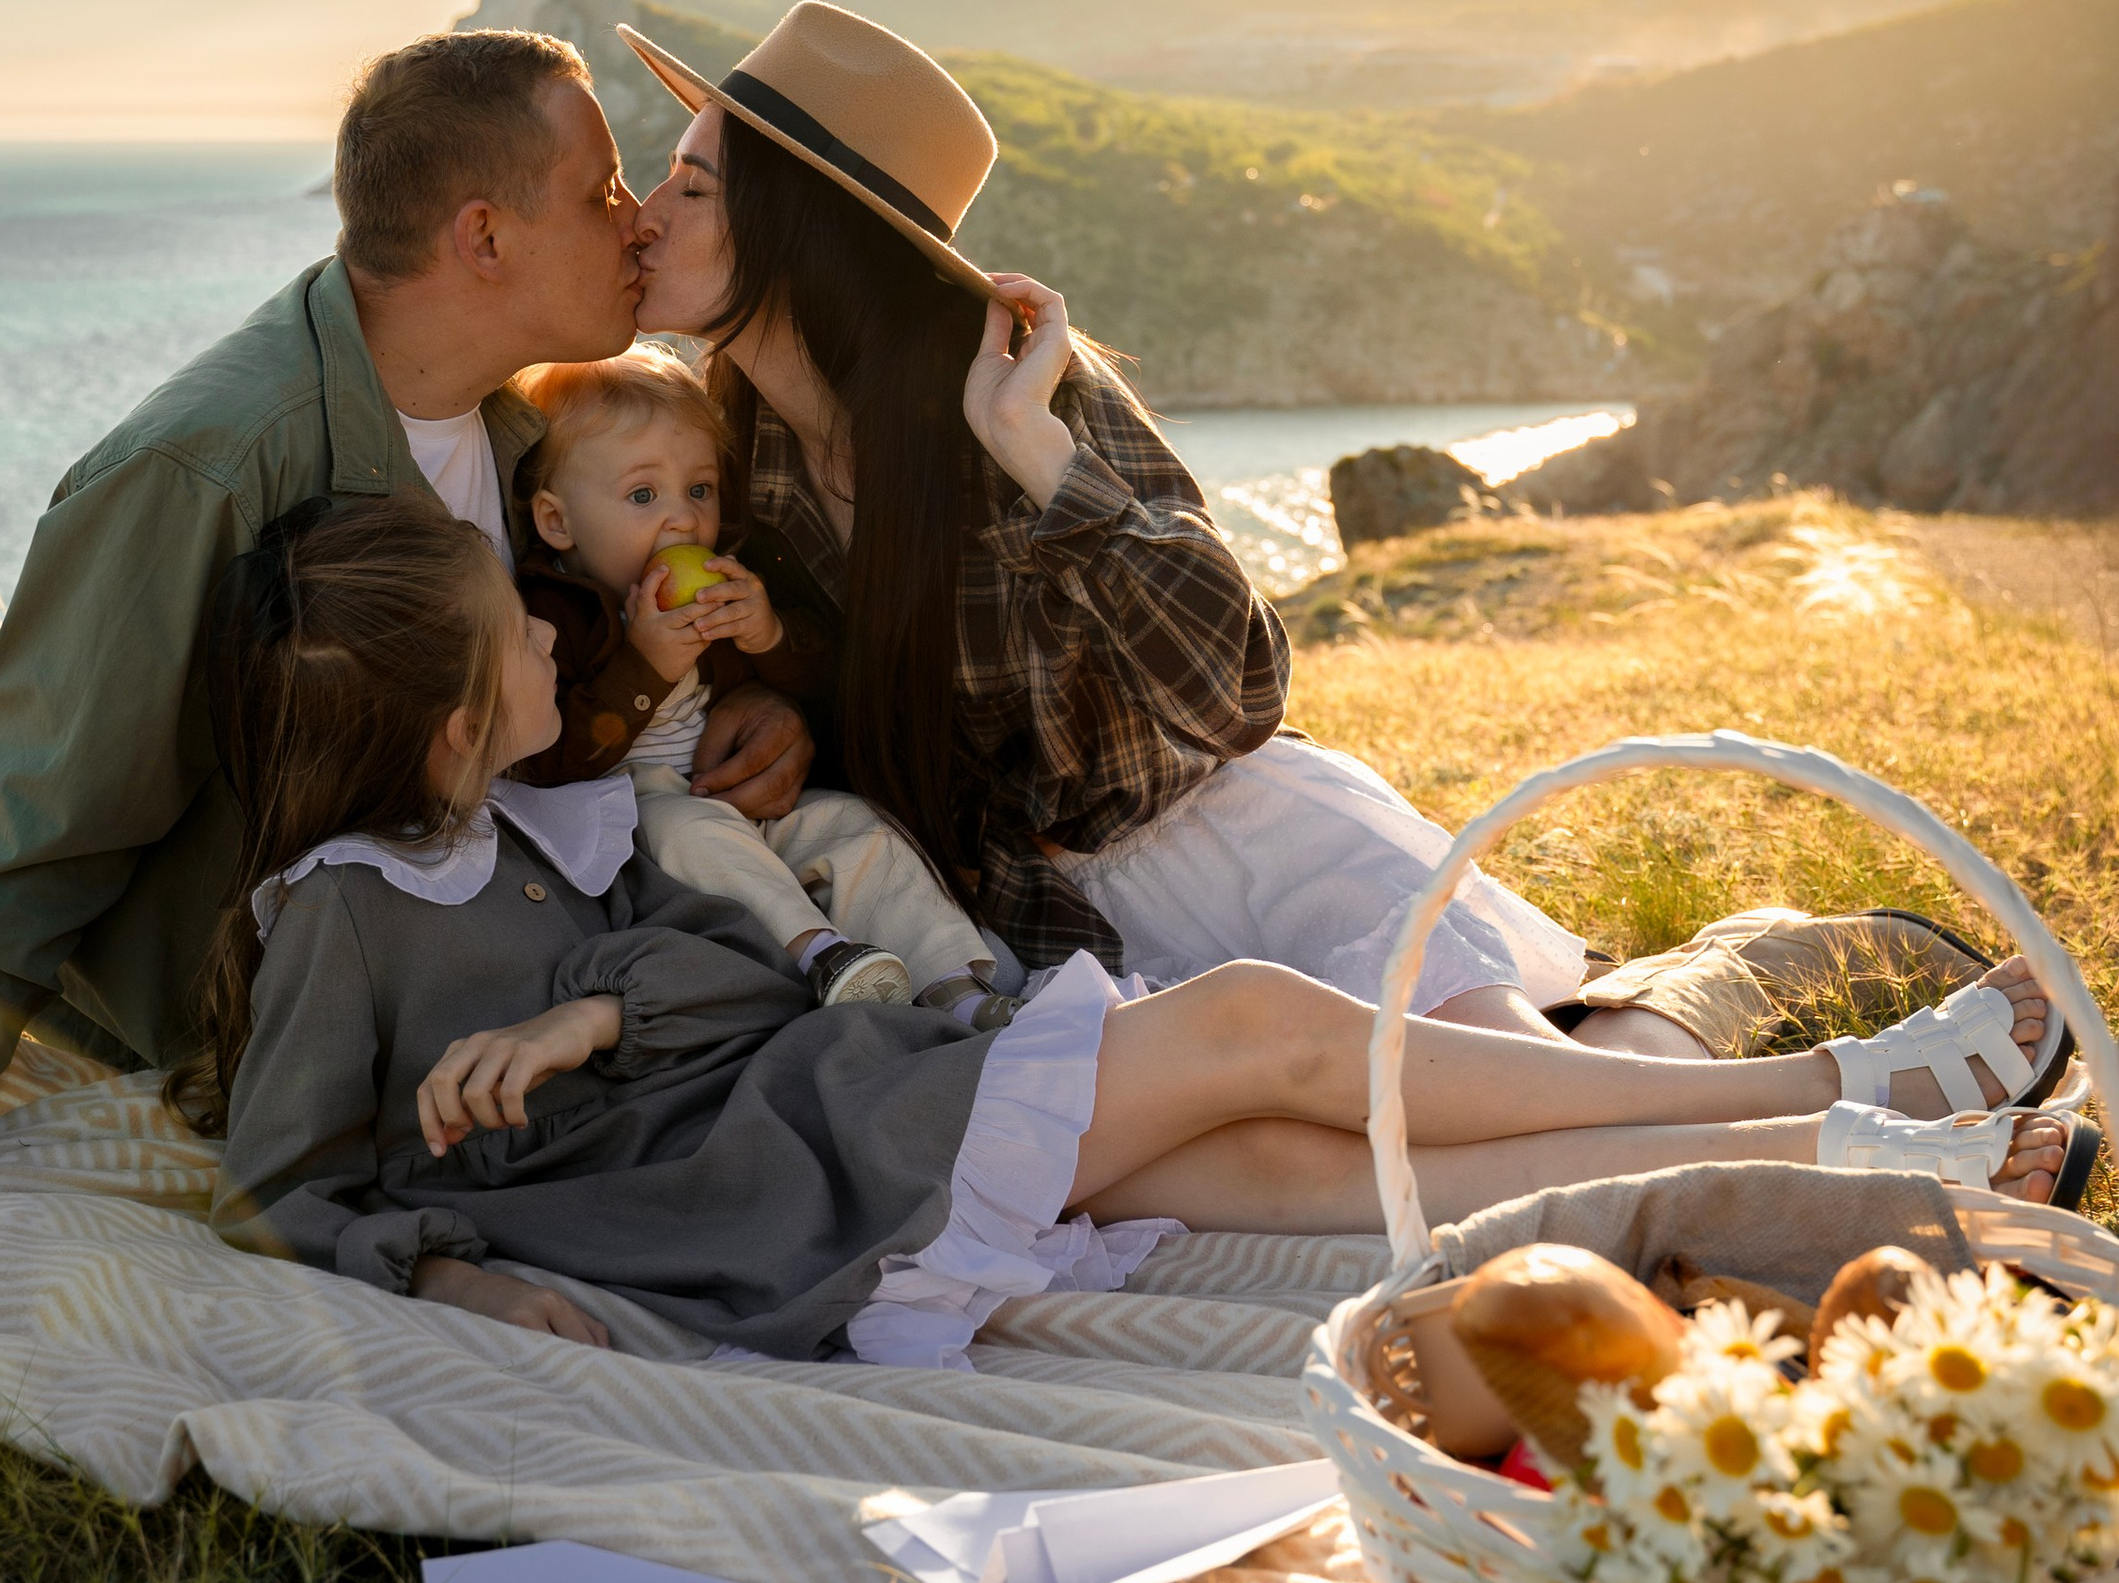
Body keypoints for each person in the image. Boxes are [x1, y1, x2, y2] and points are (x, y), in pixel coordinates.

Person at [201, 502, 2077, 1372]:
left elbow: (727, 971)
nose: (557, 637)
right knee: (1262, 1021)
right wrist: (443, 1269)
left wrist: (591, 1025)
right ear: (448, 718)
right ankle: (1837, 1079)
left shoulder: (570, 821)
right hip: (774, 1170)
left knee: (1295, 1153)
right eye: (515, 639)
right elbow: (293, 1186)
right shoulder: (347, 921)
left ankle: (1881, 1148)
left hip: (829, 1094)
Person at [621, 0, 2067, 1116]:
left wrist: (1041, 461)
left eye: (691, 183)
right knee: (1426, 1120)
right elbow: (846, 686)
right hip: (1052, 920)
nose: (649, 204)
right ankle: (1756, 1004)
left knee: (1482, 1062)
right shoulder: (729, 458)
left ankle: (1845, 1094)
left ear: (800, 230)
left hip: (1238, 829)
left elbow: (1239, 688)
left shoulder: (1013, 394)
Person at [0, 30, 815, 1222]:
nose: (637, 218)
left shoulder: (531, 424)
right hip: (314, 1045)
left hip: (519, 959)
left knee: (837, 1093)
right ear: (483, 236)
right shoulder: (212, 469)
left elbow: (556, 675)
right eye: (599, 191)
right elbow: (34, 835)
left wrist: (744, 701)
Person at [514, 347, 1004, 1013]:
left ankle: (956, 982)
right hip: (635, 826)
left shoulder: (720, 584)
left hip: (740, 801)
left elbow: (818, 679)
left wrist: (768, 634)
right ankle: (823, 955)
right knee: (687, 831)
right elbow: (546, 763)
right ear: (556, 521)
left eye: (699, 489)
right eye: (641, 494)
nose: (683, 519)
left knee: (857, 826)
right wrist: (645, 665)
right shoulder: (550, 617)